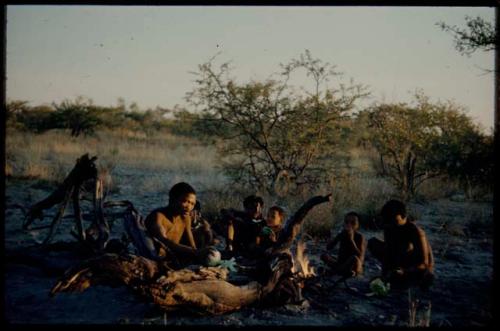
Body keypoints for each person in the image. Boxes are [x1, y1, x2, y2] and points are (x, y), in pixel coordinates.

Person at [368, 199, 434, 290]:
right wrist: (384, 275)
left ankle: (404, 279)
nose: (392, 223)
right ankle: (393, 277)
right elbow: (389, 251)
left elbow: (424, 263)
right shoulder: (389, 227)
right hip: (400, 264)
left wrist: (405, 271)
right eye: (389, 220)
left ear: (404, 216)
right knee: (373, 243)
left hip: (416, 269)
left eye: (395, 220)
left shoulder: (415, 232)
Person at [143, 182, 212, 267]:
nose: (188, 206)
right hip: (158, 260)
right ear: (172, 199)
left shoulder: (185, 218)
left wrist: (198, 253)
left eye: (192, 204)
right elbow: (163, 241)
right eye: (185, 201)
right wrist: (195, 252)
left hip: (176, 257)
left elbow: (192, 244)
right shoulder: (158, 216)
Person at [321, 212, 366, 278]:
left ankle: (336, 271)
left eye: (353, 223)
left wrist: (351, 240)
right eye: (347, 222)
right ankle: (339, 270)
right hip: (341, 264)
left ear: (357, 225)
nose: (349, 225)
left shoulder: (360, 237)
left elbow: (360, 258)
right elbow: (329, 247)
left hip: (353, 266)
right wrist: (333, 240)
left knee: (354, 258)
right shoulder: (342, 234)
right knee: (324, 256)